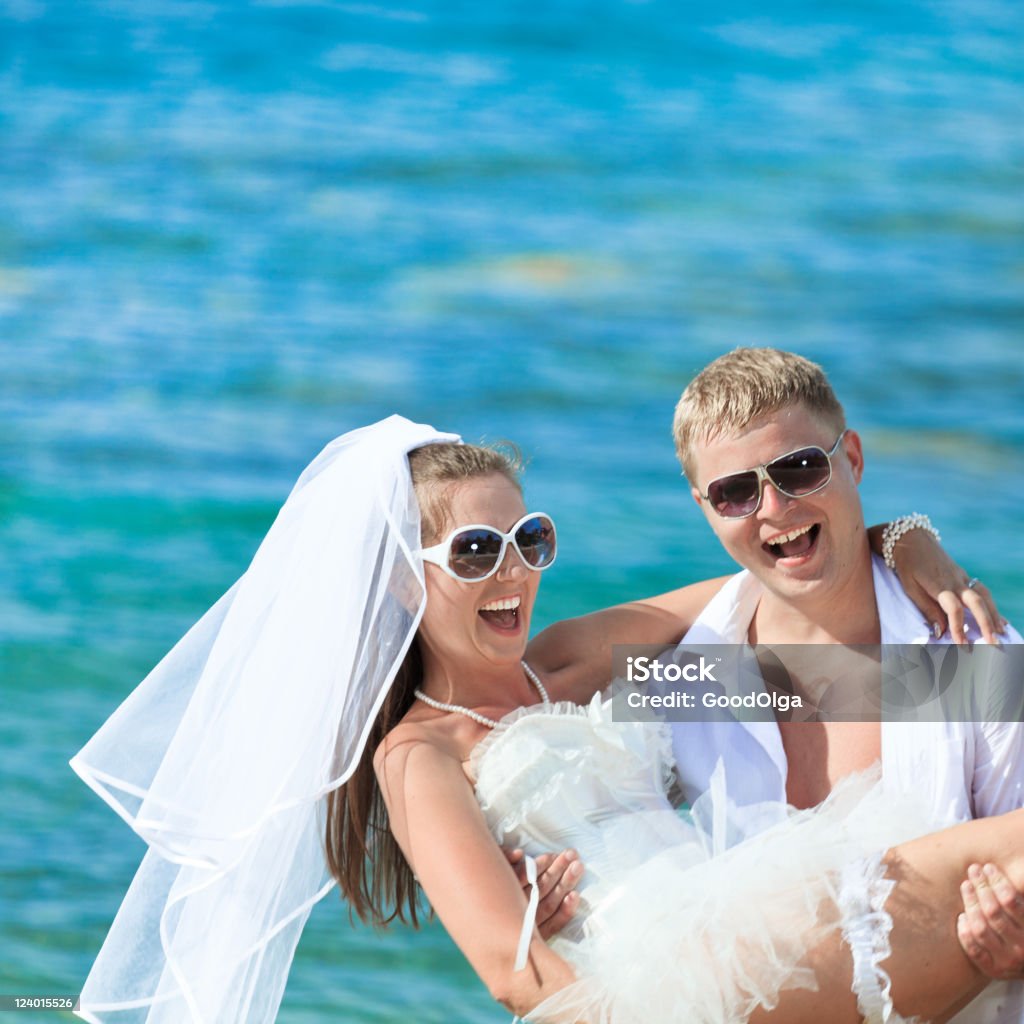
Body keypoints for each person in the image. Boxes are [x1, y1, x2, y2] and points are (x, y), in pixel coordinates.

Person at [70, 415, 1015, 1024]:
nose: (513, 571)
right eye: (476, 550)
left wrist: (907, 539)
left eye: (530, 539)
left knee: (977, 867)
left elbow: (779, 563)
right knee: (976, 858)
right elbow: (509, 973)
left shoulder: (562, 665)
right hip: (672, 989)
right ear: (406, 577)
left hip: (744, 920)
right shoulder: (419, 757)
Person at [534, 348, 1024, 1022]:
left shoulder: (973, 654)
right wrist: (548, 888)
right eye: (737, 492)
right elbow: (544, 686)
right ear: (705, 508)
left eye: (800, 469)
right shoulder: (700, 671)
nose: (775, 506)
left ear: (850, 458)